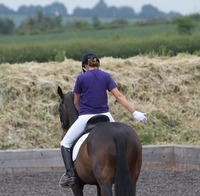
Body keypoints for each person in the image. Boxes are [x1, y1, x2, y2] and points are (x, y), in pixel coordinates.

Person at [59, 53, 147, 188]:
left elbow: (77, 102)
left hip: (86, 117)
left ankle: (71, 176)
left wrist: (83, 112)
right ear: (98, 64)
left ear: (84, 66)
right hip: (106, 116)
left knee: (65, 143)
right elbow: (118, 95)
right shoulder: (106, 76)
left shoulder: (81, 78)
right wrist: (134, 113)